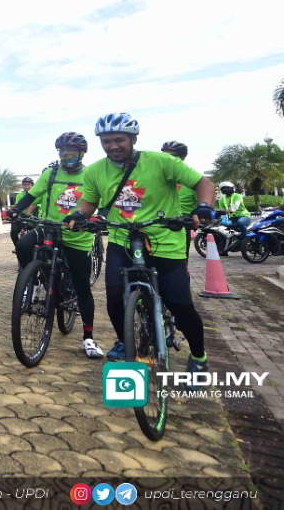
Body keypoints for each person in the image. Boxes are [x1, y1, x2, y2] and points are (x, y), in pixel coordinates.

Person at [65, 113, 215, 373]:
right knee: (113, 295)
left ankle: (199, 357)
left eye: (119, 139)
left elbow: (203, 183)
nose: (112, 146)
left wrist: (203, 207)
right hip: (121, 240)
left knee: (180, 304)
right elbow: (89, 201)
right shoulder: (96, 170)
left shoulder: (161, 162)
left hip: (165, 242)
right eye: (106, 141)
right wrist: (79, 214)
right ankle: (126, 342)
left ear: (133, 138)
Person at [9, 132, 103, 359]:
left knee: (82, 287)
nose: (66, 157)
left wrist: (97, 220)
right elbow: (32, 195)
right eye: (62, 152)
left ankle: (88, 338)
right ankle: (35, 277)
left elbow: (102, 200)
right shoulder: (51, 173)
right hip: (50, 227)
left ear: (81, 154)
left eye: (70, 153)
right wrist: (16, 210)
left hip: (77, 236)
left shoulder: (91, 174)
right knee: (23, 244)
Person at [161, 140, 196, 256]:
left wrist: (197, 214)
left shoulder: (190, 178)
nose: (168, 159)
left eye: (173, 156)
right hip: (158, 220)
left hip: (181, 222)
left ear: (183, 157)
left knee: (180, 258)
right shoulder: (157, 176)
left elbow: (201, 200)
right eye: (164, 155)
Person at [9, 176, 35, 250]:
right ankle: (17, 247)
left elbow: (35, 205)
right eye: (24, 185)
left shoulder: (37, 194)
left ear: (32, 185)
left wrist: (28, 213)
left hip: (33, 218)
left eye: (28, 185)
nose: (26, 187)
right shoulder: (19, 195)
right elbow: (19, 206)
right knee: (13, 232)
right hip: (21, 217)